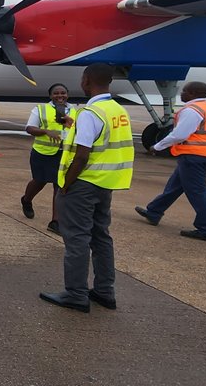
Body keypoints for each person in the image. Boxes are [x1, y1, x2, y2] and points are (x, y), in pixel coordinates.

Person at [40, 63, 134, 313]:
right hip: (106, 184)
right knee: (101, 236)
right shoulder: (117, 110)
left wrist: (65, 185)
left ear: (87, 80)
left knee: (77, 239)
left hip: (83, 185)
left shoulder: (90, 113)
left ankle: (76, 294)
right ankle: (105, 291)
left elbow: (81, 155)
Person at [135, 81, 206, 243]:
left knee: (197, 192)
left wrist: (157, 146)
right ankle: (154, 211)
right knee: (175, 185)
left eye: (184, 91)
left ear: (193, 93)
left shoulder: (192, 111)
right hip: (205, 156)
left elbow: (179, 134)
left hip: (192, 157)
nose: (182, 93)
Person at [21, 83, 71, 234]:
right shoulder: (40, 109)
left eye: (63, 93)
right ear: (50, 96)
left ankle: (55, 221)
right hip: (43, 153)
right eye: (56, 93)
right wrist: (45, 131)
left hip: (65, 153)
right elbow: (29, 128)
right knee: (39, 181)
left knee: (59, 185)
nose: (60, 96)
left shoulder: (75, 111)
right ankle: (26, 200)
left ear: (67, 94)